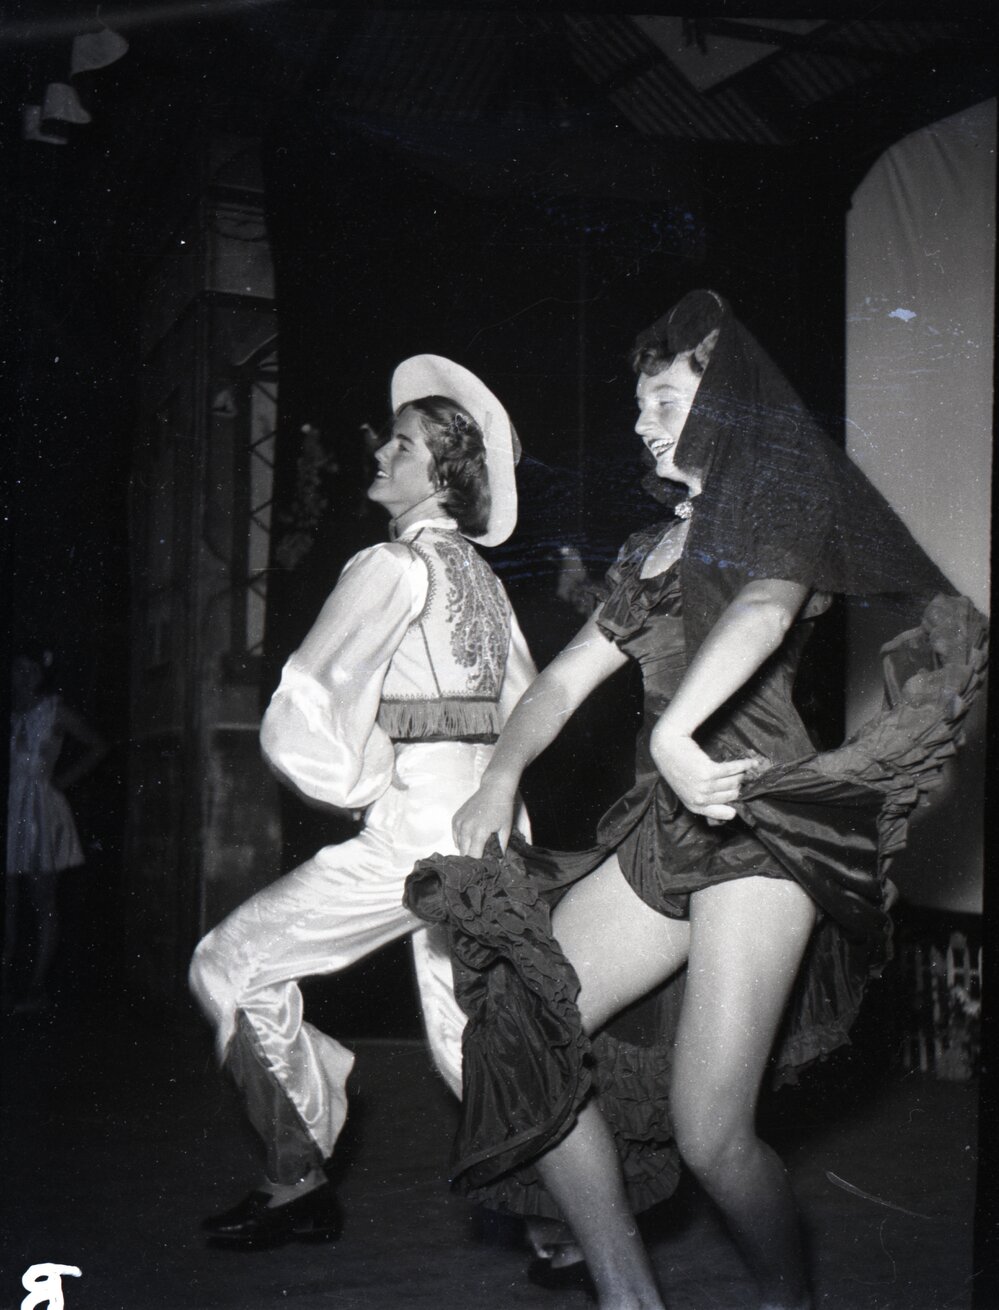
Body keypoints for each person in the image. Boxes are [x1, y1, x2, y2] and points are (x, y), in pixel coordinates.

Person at [406, 290, 987, 1309]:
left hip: (762, 823)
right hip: (660, 830)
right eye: (639, 405)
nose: (643, 421)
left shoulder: (787, 511)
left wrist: (676, 732)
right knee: (520, 1015)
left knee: (712, 1129)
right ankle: (631, 1297)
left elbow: (765, 608)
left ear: (727, 399)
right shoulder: (646, 552)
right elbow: (555, 685)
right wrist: (501, 771)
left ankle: (786, 1299)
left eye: (665, 398)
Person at [188, 355, 535, 1249]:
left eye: (403, 444)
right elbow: (525, 704)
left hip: (413, 833)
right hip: (489, 829)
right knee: (475, 1035)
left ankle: (295, 1179)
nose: (382, 454)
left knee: (228, 964)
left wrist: (356, 780)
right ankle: (564, 1223)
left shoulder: (391, 564)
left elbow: (311, 691)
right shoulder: (485, 583)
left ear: (442, 472)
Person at [4, 644, 107, 1012]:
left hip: (39, 813)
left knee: (42, 901)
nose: (24, 676)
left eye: (32, 670)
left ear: (42, 674)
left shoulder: (53, 711)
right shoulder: (11, 713)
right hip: (10, 809)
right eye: (18, 668)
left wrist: (61, 781)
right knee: (9, 903)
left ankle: (36, 989)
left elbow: (98, 745)